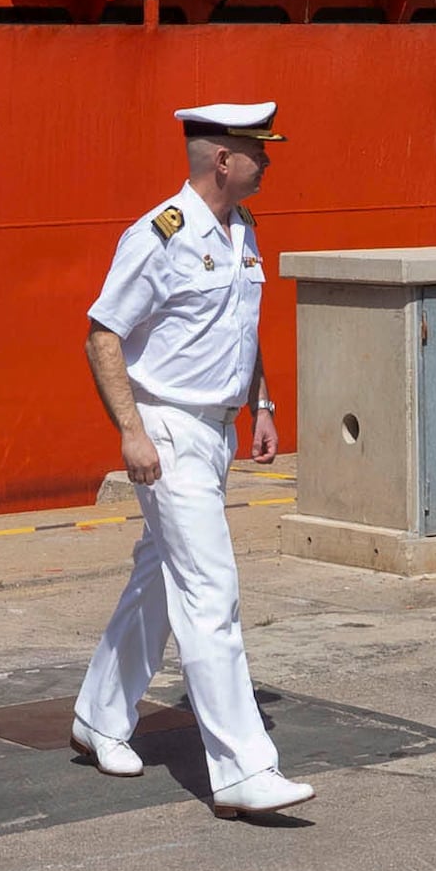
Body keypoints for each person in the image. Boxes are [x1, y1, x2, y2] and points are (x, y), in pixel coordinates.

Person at [73, 98, 308, 815]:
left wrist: (261, 403)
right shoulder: (160, 234)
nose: (267, 161)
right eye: (258, 151)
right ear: (222, 160)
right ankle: (239, 769)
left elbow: (243, 324)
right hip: (168, 433)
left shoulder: (242, 229)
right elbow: (102, 334)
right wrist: (131, 432)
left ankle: (97, 715)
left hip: (218, 434)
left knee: (159, 579)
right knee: (211, 592)